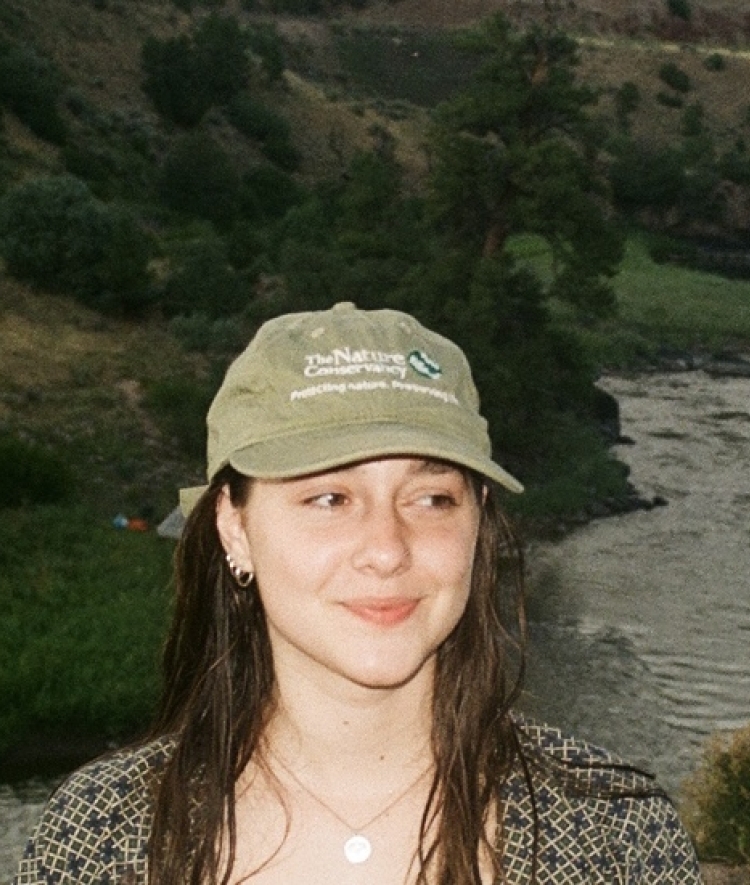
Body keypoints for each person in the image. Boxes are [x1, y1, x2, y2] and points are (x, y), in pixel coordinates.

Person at [13, 302, 702, 884]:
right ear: (234, 526)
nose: (386, 548)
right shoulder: (104, 839)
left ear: (479, 522)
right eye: (329, 497)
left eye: (432, 497)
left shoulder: (614, 835)